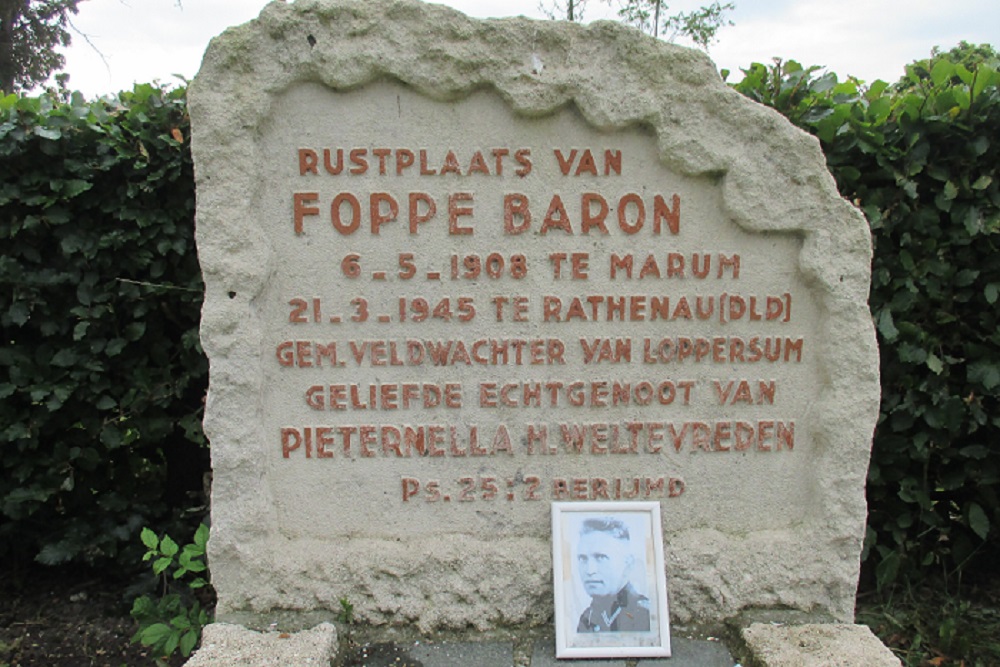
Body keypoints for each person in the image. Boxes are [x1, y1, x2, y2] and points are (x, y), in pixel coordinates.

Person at [575, 517, 650, 633]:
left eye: (600, 557)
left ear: (628, 564)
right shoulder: (587, 618)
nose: (590, 570)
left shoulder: (645, 614)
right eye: (582, 559)